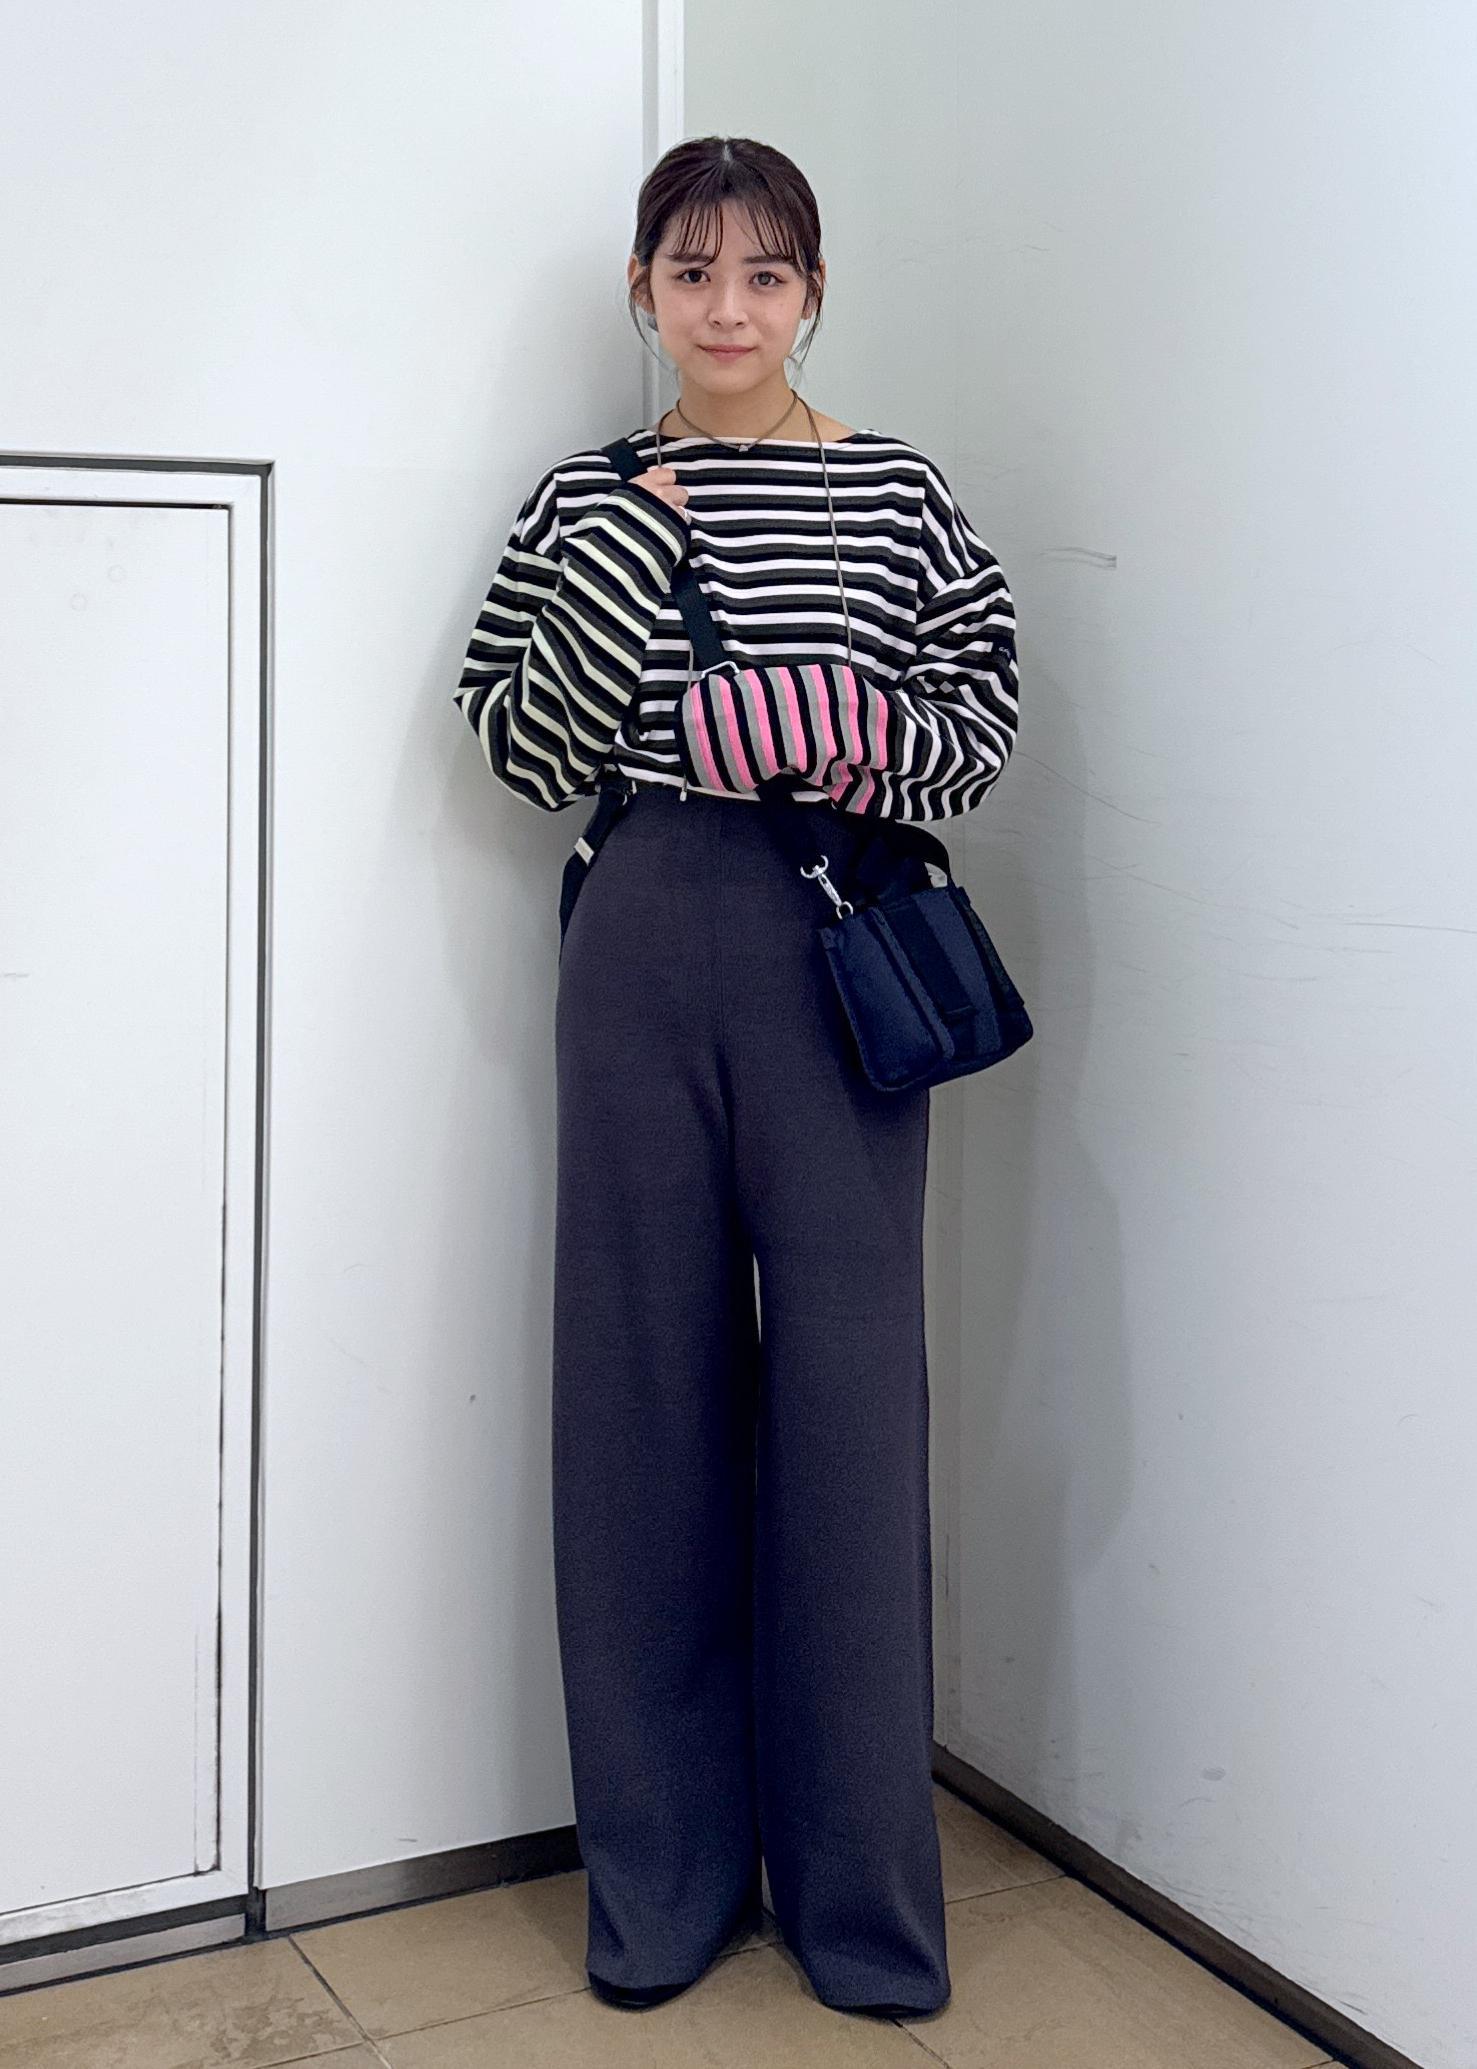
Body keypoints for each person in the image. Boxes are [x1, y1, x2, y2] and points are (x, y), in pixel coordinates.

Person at [452, 135, 1019, 2020]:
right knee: (639, 1401)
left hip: (833, 950)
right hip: (638, 936)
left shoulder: (896, 492)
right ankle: (663, 1887)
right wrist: (631, 554)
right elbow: (519, 741)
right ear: (641, 290)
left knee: (849, 1416)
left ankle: (860, 1907)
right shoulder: (581, 494)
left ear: (812, 293)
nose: (726, 307)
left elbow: (978, 722)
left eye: (763, 273)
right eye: (689, 271)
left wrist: (849, 737)